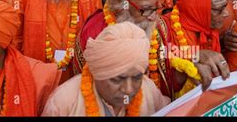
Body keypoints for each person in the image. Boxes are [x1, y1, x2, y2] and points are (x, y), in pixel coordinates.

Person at [42, 22, 170, 116]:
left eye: (137, 77)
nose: (129, 89)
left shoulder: (149, 90)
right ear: (97, 73)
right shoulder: (63, 103)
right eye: (117, 79)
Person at [160, 0, 231, 90]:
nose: (226, 13)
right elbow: (160, 74)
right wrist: (194, 59)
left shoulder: (209, 26)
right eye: (219, 10)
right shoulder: (162, 30)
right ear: (197, 9)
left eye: (225, 6)